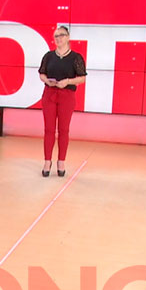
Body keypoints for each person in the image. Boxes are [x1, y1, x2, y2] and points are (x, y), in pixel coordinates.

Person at [38, 25, 87, 177]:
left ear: (68, 37)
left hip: (67, 95)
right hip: (50, 94)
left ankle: (61, 161)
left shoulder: (76, 57)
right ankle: (47, 161)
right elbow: (42, 74)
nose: (58, 38)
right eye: (56, 36)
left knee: (64, 129)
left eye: (61, 35)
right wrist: (47, 80)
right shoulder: (48, 56)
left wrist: (68, 82)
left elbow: (82, 78)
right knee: (49, 129)